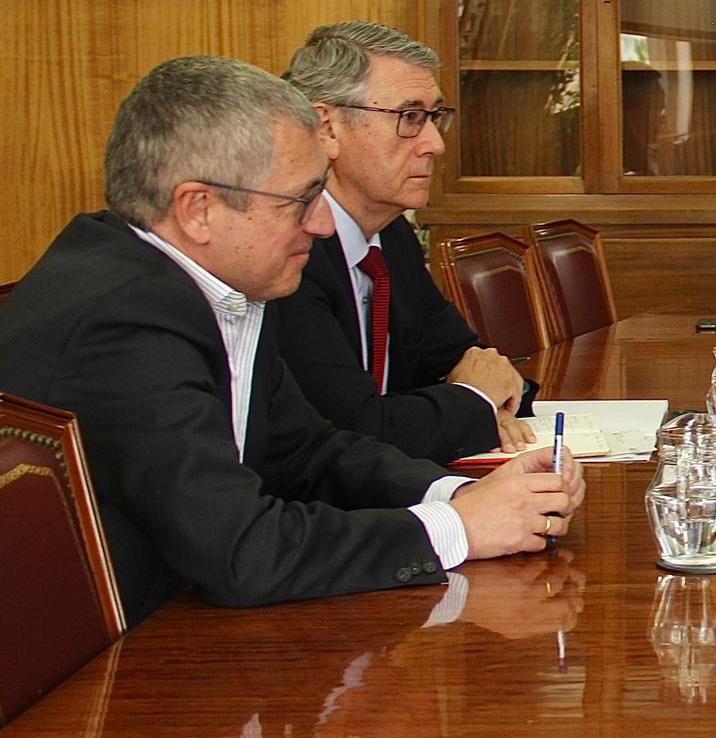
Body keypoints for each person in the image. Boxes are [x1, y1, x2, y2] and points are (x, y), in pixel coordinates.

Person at [0, 56, 584, 622]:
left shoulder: (211, 285)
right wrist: (460, 531)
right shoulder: (123, 321)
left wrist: (455, 495)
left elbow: (308, 453)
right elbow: (242, 552)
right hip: (109, 681)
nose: (324, 224)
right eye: (301, 201)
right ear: (198, 208)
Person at [272, 21, 531, 463]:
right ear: (326, 127)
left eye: (434, 118)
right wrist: (473, 403)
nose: (434, 144)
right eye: (409, 118)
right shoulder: (289, 249)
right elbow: (354, 430)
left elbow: (469, 363)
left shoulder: (391, 235)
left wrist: (482, 396)